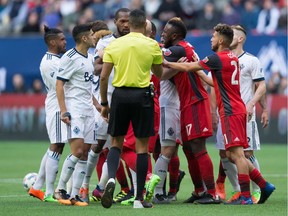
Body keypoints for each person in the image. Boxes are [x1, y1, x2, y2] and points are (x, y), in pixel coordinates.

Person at [164, 23, 275, 205]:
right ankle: (264, 185)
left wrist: (168, 63)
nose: (211, 39)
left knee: (237, 155)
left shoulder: (217, 58)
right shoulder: (232, 58)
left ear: (221, 40)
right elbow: (212, 81)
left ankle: (246, 196)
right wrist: (198, 72)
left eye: (213, 37)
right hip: (234, 109)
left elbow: (189, 67)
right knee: (231, 155)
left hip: (231, 111)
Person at [100, 9, 163, 209]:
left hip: (120, 95)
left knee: (116, 143)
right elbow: (159, 73)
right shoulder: (152, 44)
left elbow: (103, 77)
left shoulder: (115, 44)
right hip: (142, 95)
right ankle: (138, 199)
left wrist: (104, 103)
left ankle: (111, 179)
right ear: (145, 25)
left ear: (130, 23)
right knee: (141, 148)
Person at [160, 17, 219, 205]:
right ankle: (199, 190)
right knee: (188, 149)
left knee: (198, 149)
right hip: (185, 103)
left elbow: (157, 61)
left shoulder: (177, 49)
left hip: (195, 101)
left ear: (175, 35)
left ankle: (211, 192)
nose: (162, 34)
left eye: (165, 32)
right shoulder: (184, 47)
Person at [214, 25, 269, 204]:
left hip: (243, 113)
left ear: (240, 39)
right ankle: (238, 190)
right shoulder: (220, 59)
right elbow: (213, 85)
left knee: (246, 153)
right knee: (225, 154)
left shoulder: (252, 60)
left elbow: (261, 86)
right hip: (225, 114)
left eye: (233, 34)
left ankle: (257, 190)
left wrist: (257, 106)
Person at [90, 8, 132, 203]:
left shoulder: (136, 40)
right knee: (106, 147)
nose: (126, 24)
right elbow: (97, 68)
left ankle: (106, 187)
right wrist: (113, 60)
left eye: (128, 21)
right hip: (110, 102)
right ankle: (89, 187)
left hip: (134, 97)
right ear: (115, 22)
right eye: (122, 21)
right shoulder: (106, 43)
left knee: (126, 145)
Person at [54, 22, 97, 207]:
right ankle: (60, 189)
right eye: (92, 34)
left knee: (85, 153)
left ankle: (75, 195)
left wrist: (99, 106)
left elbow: (87, 87)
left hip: (88, 109)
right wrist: (64, 110)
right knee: (77, 151)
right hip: (75, 109)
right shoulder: (70, 57)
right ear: (84, 38)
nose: (95, 37)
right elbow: (59, 84)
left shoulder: (90, 57)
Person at [28, 25, 67, 203]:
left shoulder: (57, 59)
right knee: (57, 145)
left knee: (55, 145)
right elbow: (62, 86)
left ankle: (37, 187)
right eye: (62, 39)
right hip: (57, 106)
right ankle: (50, 192)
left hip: (59, 105)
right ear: (52, 42)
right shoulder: (49, 62)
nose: (65, 41)